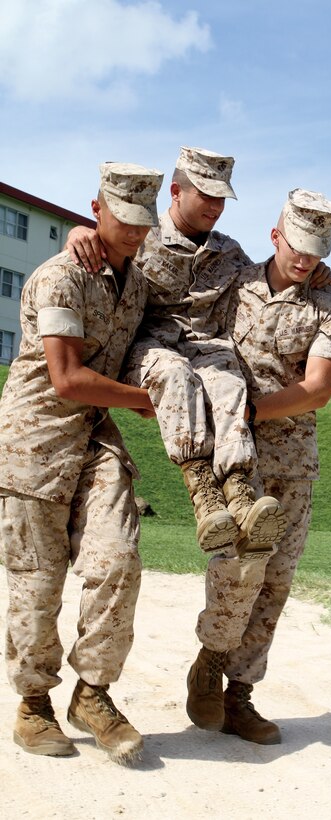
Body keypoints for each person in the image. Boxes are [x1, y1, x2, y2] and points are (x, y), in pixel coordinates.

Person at [0, 162, 163, 764]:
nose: (134, 232)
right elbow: (67, 378)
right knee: (37, 583)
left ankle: (91, 695)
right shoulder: (59, 278)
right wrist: (146, 401)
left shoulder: (138, 284)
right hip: (34, 443)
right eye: (122, 219)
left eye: (143, 222)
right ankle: (34, 706)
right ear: (97, 209)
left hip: (95, 438)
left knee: (118, 558)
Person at [186, 188, 331, 745]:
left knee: (275, 582)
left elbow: (316, 390)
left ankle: (239, 695)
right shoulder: (234, 280)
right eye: (297, 245)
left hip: (293, 462)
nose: (304, 260)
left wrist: (251, 409)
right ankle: (210, 662)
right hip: (235, 458)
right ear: (275, 233)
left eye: (316, 250)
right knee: (241, 570)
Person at [67, 147, 287, 558]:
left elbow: (271, 276)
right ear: (175, 192)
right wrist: (78, 232)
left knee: (228, 381)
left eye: (221, 198)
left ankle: (238, 494)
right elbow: (101, 241)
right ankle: (202, 490)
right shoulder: (142, 236)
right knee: (172, 372)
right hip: (149, 349)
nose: (216, 206)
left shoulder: (229, 252)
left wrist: (317, 272)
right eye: (205, 195)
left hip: (206, 351)